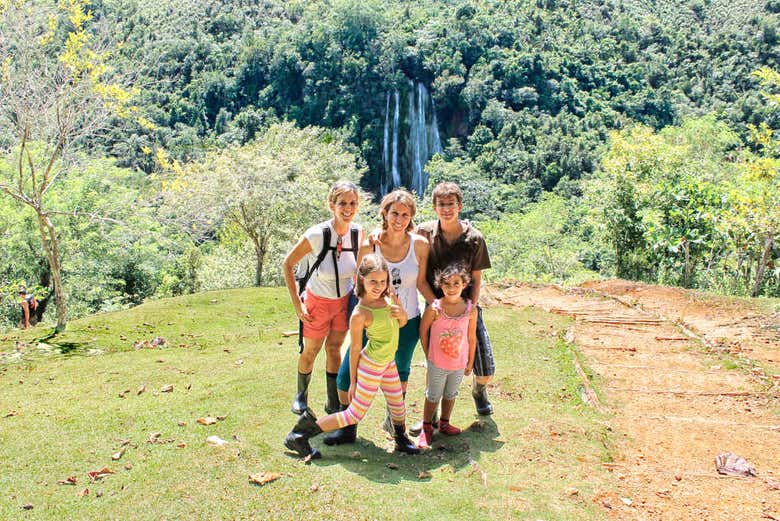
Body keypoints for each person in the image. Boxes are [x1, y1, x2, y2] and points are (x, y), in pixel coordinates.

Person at [284, 254, 419, 458]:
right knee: (354, 414)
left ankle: (400, 439)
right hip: (371, 365)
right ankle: (299, 435)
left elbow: (400, 323)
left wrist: (401, 315)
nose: (378, 286)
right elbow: (355, 349)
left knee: (397, 404)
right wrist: (354, 382)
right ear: (361, 279)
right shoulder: (360, 313)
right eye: (373, 281)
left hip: (387, 363)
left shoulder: (389, 297)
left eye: (383, 281)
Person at [323, 189, 429, 446]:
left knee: (400, 374)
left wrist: (440, 303)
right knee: (348, 373)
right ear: (384, 213)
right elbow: (360, 285)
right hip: (373, 319)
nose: (399, 219)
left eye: (405, 214)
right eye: (394, 213)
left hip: (408, 319)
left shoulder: (420, 245)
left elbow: (423, 282)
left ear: (411, 217)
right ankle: (348, 430)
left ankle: (397, 429)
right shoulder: (370, 244)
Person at [416, 181, 495, 421]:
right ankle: (432, 416)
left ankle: (479, 390)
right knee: (435, 361)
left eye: (451, 204)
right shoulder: (424, 233)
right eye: (441, 204)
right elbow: (397, 231)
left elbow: (477, 279)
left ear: (459, 206)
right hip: (437, 308)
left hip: (466, 308)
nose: (446, 209)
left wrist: (470, 308)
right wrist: (434, 304)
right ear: (434, 206)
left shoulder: (474, 239)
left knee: (485, 366)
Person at [282, 181, 362, 415]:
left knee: (335, 348)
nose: (348, 208)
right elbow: (288, 264)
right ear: (331, 205)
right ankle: (301, 396)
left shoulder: (357, 233)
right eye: (342, 203)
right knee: (311, 350)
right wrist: (298, 304)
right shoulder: (317, 234)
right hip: (317, 302)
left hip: (343, 302)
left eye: (352, 203)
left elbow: (359, 269)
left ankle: (332, 401)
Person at [417, 264, 477, 449]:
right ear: (440, 286)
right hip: (438, 363)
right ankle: (426, 428)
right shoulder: (434, 309)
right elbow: (423, 332)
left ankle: (444, 423)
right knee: (433, 395)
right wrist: (429, 355)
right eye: (447, 284)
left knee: (451, 393)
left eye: (456, 283)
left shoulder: (470, 310)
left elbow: (471, 337)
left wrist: (470, 362)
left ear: (464, 284)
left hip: (458, 363)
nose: (452, 288)